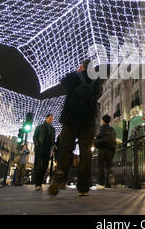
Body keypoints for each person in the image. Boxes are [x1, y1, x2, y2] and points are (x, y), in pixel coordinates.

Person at [49, 59, 102, 196]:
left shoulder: (75, 76)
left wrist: (78, 73)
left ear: (82, 66)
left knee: (65, 148)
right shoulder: (96, 80)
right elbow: (98, 95)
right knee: (86, 153)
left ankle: (60, 173)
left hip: (70, 119)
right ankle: (83, 188)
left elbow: (63, 82)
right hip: (88, 121)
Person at [33, 114, 56, 190]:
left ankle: (40, 180)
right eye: (50, 118)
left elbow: (53, 139)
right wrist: (37, 145)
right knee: (38, 165)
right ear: (46, 118)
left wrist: (52, 147)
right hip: (40, 147)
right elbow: (35, 137)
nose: (51, 120)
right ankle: (37, 183)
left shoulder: (52, 129)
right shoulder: (40, 127)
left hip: (47, 149)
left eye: (52, 119)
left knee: (45, 166)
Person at [95, 114, 117, 188]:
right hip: (110, 149)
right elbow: (114, 141)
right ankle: (108, 183)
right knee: (109, 167)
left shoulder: (101, 128)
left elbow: (98, 138)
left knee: (101, 167)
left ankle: (102, 183)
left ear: (103, 121)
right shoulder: (112, 129)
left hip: (102, 149)